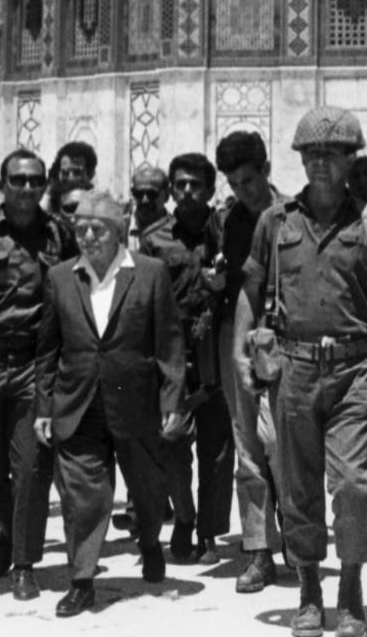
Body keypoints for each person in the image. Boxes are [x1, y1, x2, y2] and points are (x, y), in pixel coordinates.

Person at [230, 106, 367, 637]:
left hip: (357, 369)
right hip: (294, 369)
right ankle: (309, 587)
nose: (321, 164)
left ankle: (350, 584)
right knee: (298, 486)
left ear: (353, 159)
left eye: (332, 154)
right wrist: (241, 351)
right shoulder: (275, 221)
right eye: (311, 154)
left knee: (354, 484)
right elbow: (250, 288)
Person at [33, 189, 186, 616]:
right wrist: (44, 406)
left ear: (120, 231)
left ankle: (150, 539)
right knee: (85, 495)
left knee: (148, 488)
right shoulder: (61, 277)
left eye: (98, 229)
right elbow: (47, 349)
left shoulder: (151, 273)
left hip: (135, 403)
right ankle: (81, 580)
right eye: (80, 229)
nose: (88, 237)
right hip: (78, 402)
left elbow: (170, 342)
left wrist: (172, 397)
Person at [0, 148, 75, 602]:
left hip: (34, 362)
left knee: (30, 466)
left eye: (35, 181)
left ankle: (24, 563)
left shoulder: (59, 236)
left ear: (45, 184)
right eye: (17, 180)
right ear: (2, 185)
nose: (27, 189)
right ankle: (12, 529)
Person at [131, 158, 229, 564]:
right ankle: (184, 515)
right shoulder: (154, 240)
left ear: (209, 189)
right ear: (171, 190)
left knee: (217, 451)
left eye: (196, 185)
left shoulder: (228, 232)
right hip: (170, 356)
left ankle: (208, 531)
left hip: (216, 355)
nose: (188, 192)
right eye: (181, 185)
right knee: (171, 445)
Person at [211, 129, 285, 591]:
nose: (243, 191)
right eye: (234, 183)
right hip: (237, 342)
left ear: (266, 170)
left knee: (287, 448)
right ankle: (258, 550)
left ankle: (300, 545)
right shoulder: (231, 221)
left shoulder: (292, 216)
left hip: (286, 343)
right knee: (247, 449)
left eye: (249, 181)